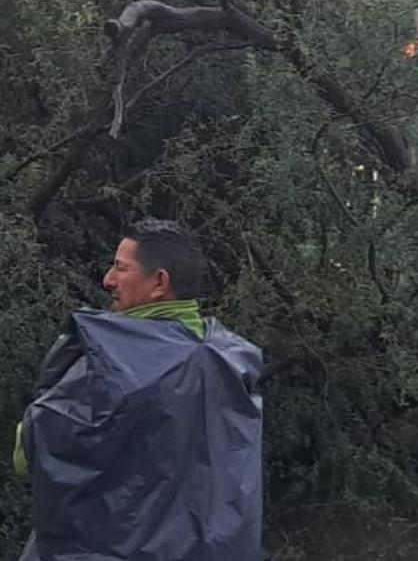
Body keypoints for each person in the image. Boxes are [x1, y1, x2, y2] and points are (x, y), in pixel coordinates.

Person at [14, 219, 264, 561]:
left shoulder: (112, 361)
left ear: (159, 282)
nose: (108, 280)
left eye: (120, 268)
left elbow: (30, 456)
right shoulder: (231, 361)